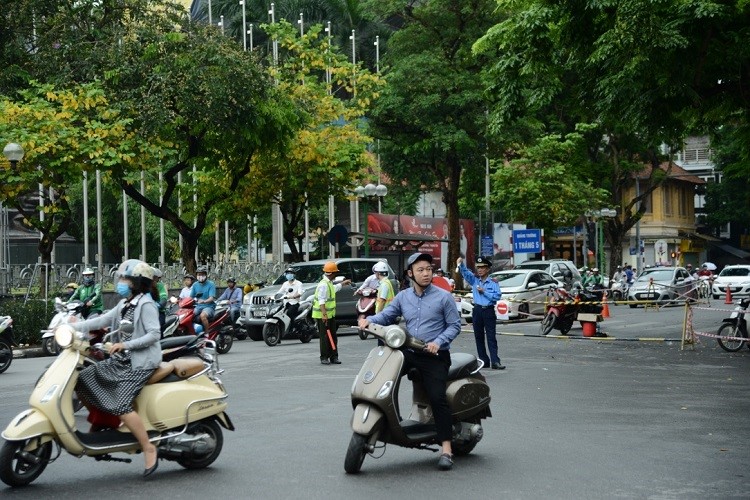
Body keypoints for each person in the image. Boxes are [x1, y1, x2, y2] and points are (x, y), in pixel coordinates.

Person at [359, 252, 461, 471]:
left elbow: (455, 325)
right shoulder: (403, 297)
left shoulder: (444, 297)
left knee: (437, 397)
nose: (426, 273)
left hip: (434, 355)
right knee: (385, 378)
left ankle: (446, 448)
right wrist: (367, 321)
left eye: (428, 269)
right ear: (410, 273)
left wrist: (438, 341)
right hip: (408, 351)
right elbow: (386, 316)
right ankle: (392, 422)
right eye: (420, 270)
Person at [72, 259, 161, 477]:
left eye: (124, 278)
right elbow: (102, 319)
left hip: (140, 363)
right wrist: (70, 326)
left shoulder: (146, 304)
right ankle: (103, 423)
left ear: (136, 282)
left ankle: (148, 447)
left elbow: (154, 334)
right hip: (122, 359)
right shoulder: (124, 304)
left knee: (120, 402)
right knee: (83, 378)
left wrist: (125, 344)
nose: (120, 282)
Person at [458, 255, 504, 370]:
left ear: (487, 269)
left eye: (482, 267)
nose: (480, 270)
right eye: (478, 267)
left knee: (491, 337)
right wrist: (461, 264)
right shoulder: (474, 280)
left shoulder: (493, 282)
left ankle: (495, 361)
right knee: (478, 337)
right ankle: (484, 360)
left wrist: (484, 292)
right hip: (477, 310)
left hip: (488, 310)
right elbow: (465, 273)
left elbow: (497, 296)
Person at [312, 261, 351, 365]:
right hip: (323, 316)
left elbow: (334, 289)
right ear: (332, 273)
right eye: (335, 272)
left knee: (332, 336)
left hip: (330, 315)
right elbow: (321, 301)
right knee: (325, 337)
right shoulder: (323, 285)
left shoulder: (328, 283)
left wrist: (342, 283)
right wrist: (324, 315)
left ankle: (334, 356)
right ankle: (324, 357)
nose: (336, 274)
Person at [190, 266, 216, 335]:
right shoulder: (195, 285)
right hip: (198, 306)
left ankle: (206, 333)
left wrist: (204, 301)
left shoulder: (211, 284)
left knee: (202, 316)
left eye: (202, 274)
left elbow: (211, 298)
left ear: (206, 275)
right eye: (199, 274)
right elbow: (191, 297)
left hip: (209, 306)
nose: (200, 276)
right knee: (189, 315)